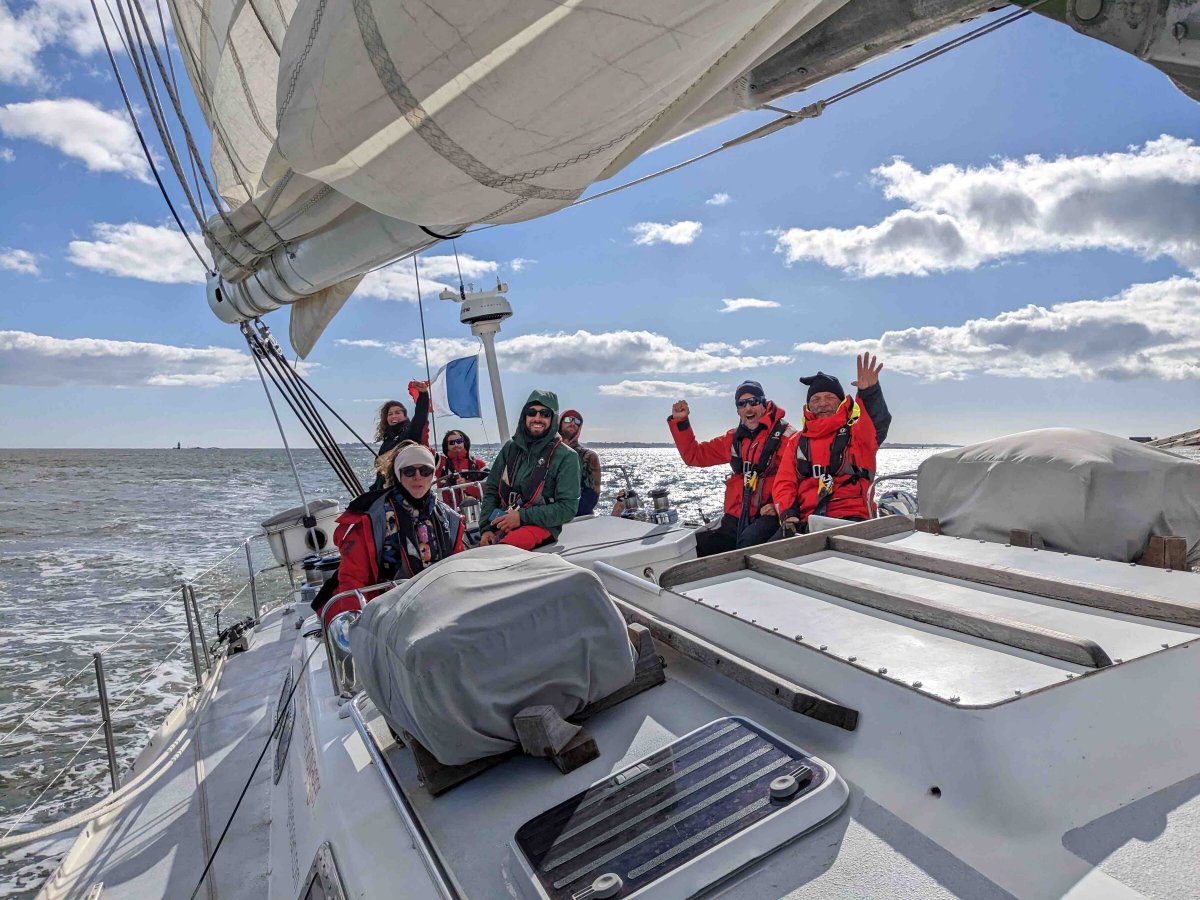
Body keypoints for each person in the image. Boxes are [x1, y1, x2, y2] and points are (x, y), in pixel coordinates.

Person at [323, 442, 464, 624]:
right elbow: (353, 579)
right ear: (398, 474)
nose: (418, 477)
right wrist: (358, 624)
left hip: (438, 608)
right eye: (409, 471)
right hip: (388, 615)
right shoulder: (371, 520)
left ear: (433, 474)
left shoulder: (449, 519)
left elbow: (457, 570)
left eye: (425, 471)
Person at [669, 380, 794, 557]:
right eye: (741, 404)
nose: (748, 408)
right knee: (696, 546)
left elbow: (799, 478)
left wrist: (778, 506)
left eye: (753, 401)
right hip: (737, 516)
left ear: (764, 403)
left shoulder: (787, 437)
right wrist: (681, 421)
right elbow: (694, 455)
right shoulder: (733, 439)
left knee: (747, 544)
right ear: (737, 410)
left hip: (769, 516)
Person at [774, 353, 892, 532]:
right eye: (816, 399)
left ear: (841, 402)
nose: (823, 404)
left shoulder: (857, 434)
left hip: (852, 518)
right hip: (806, 521)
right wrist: (788, 512)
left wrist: (870, 393)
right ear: (808, 405)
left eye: (829, 397)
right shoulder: (796, 442)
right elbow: (784, 482)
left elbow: (877, 422)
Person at [479, 390, 581, 550]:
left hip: (541, 525)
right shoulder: (510, 449)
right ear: (524, 416)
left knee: (502, 551)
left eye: (545, 414)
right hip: (505, 518)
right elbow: (492, 489)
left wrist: (521, 517)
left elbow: (567, 509)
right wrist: (486, 528)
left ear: (552, 418)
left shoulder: (567, 457)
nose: (537, 418)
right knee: (480, 548)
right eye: (532, 412)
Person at [370, 382, 430, 490]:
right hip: (385, 491)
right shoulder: (386, 441)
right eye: (390, 414)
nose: (394, 416)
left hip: (404, 489)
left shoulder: (410, 432)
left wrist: (423, 395)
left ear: (405, 416)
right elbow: (380, 475)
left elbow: (420, 416)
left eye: (397, 413)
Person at [559, 408, 602, 516]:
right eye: (568, 419)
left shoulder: (589, 456)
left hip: (578, 517)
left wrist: (561, 514)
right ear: (559, 423)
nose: (573, 423)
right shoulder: (548, 453)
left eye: (577, 421)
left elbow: (591, 496)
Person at [436, 429, 488, 508]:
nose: (456, 444)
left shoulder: (478, 464)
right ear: (447, 446)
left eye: (459, 441)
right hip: (450, 514)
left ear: (464, 442)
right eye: (452, 442)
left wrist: (467, 485)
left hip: (478, 510)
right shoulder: (441, 464)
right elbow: (423, 448)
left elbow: (491, 487)